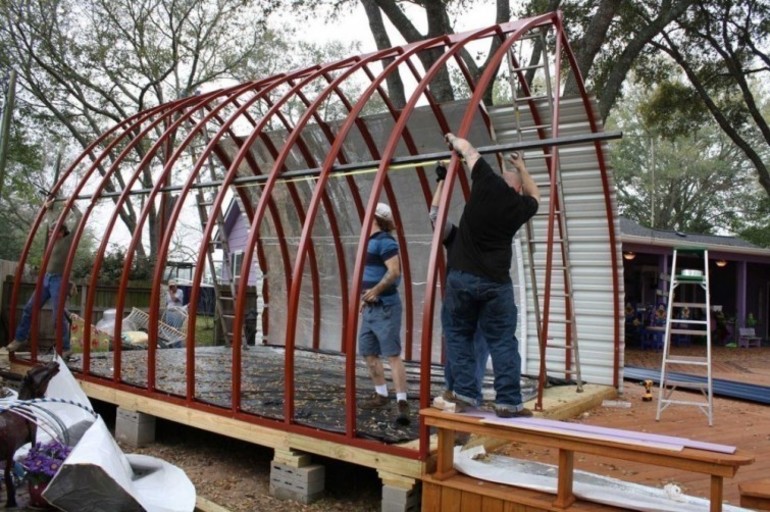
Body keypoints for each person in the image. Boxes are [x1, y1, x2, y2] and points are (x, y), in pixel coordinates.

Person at [440, 132, 540, 418]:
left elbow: (468, 149)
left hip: (461, 277)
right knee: (503, 341)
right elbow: (536, 195)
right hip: (496, 283)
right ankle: (509, 402)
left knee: (458, 335)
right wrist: (522, 168)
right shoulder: (520, 206)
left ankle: (465, 393)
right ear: (517, 189)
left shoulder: (485, 182)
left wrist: (452, 140)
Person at [429, 162, 490, 406]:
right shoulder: (455, 236)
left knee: (476, 348)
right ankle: (453, 391)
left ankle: (469, 396)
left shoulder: (491, 240)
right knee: (457, 345)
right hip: (459, 301)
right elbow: (435, 216)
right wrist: (441, 182)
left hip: (483, 301)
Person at [8, 198, 83, 358]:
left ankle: (65, 347)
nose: (50, 233)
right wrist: (48, 208)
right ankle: (20, 338)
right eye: (50, 231)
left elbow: (80, 218)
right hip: (45, 279)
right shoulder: (51, 240)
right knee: (29, 308)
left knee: (57, 316)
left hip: (58, 280)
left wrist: (72, 207)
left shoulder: (68, 241)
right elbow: (51, 221)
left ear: (62, 233)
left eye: (54, 231)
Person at [357, 202, 410, 426]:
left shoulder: (385, 242)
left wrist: (375, 291)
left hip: (386, 307)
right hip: (371, 308)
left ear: (376, 219)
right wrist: (365, 299)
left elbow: (394, 271)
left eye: (368, 216)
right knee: (368, 352)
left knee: (392, 354)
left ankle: (402, 401)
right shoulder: (370, 242)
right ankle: (381, 395)